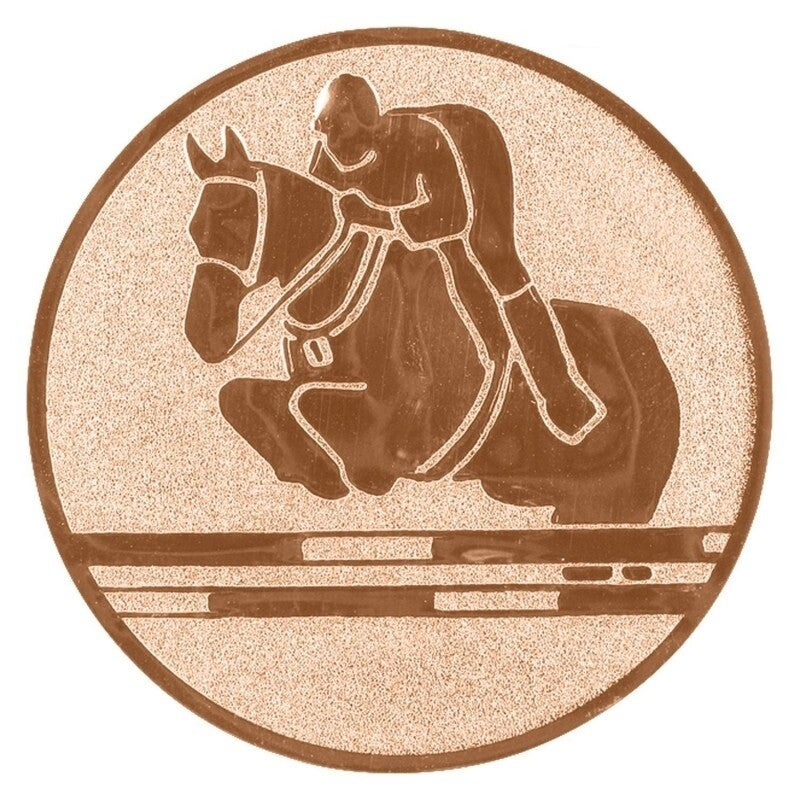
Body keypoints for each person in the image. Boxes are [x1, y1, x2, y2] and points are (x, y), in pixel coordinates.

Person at [307, 73, 601, 441]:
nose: (338, 150)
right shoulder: (327, 150)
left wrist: (377, 217)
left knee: (490, 262)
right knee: (427, 269)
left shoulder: (423, 141)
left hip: (473, 157)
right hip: (410, 202)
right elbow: (321, 212)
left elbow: (453, 217)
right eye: (329, 137)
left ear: (373, 129)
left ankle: (562, 396)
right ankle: (483, 369)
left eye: (349, 143)